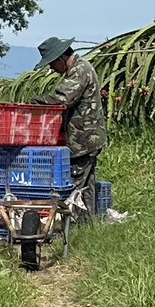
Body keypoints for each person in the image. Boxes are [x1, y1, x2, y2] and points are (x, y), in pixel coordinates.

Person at [37, 36, 103, 202]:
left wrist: (37, 102)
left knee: (76, 185)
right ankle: (86, 224)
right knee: (86, 185)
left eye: (52, 63)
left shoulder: (80, 70)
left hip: (84, 139)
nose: (52, 68)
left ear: (61, 57)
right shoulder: (79, 69)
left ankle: (74, 222)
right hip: (86, 138)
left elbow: (63, 99)